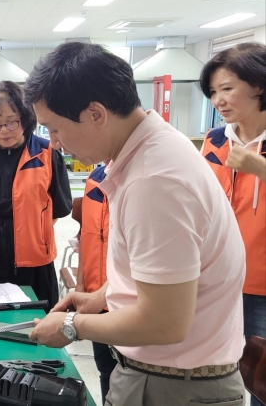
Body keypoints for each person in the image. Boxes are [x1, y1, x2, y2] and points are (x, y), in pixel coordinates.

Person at [26, 42, 246, 406]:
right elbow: (165, 269)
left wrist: (72, 326)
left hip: (174, 388)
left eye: (55, 129)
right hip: (171, 378)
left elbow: (165, 322)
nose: (55, 144)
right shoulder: (150, 150)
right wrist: (103, 296)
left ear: (96, 114)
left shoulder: (154, 180)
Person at [0, 81, 72, 312]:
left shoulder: (47, 154)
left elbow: (57, 210)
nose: (3, 131)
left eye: (11, 122)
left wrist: (29, 235)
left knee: (36, 326)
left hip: (33, 266)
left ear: (25, 117)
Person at [198, 44, 266, 392]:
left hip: (262, 283)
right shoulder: (214, 141)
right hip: (218, 277)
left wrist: (259, 167)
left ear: (258, 85)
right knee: (218, 368)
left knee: (261, 378)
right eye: (213, 92)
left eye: (226, 88)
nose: (218, 100)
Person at [76, 164, 117, 404]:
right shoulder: (94, 178)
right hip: (95, 298)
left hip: (125, 302)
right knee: (105, 369)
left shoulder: (139, 180)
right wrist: (80, 286)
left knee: (127, 374)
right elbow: (86, 235)